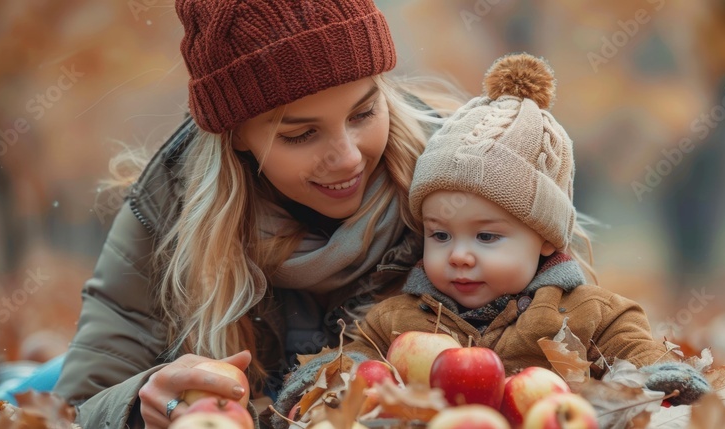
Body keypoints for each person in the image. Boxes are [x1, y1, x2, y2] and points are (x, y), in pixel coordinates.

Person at [50, 1, 461, 428]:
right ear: (238, 135)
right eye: (301, 134)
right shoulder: (166, 212)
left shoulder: (463, 184)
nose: (348, 158)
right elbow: (70, 411)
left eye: (364, 113)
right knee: (29, 381)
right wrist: (139, 404)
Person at [275, 53, 710, 426]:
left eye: (486, 236)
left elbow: (636, 352)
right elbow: (353, 360)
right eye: (440, 235)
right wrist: (322, 379)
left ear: (543, 238)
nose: (460, 255)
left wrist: (659, 379)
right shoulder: (399, 319)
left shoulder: (586, 313)